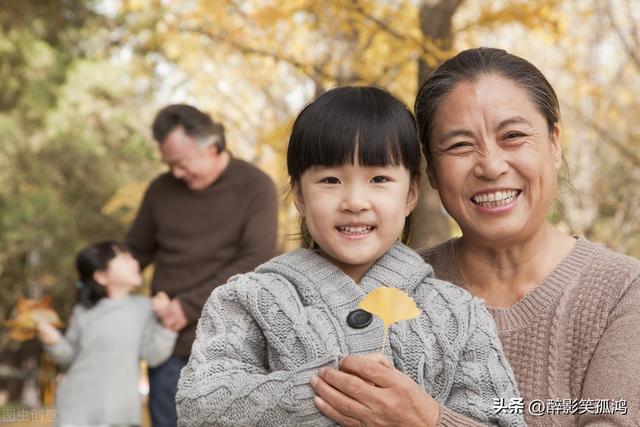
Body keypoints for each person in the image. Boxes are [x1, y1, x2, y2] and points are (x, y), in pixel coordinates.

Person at [311, 48, 640, 426]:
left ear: (554, 144)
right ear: (431, 172)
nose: (491, 165)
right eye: (460, 145)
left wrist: (429, 421)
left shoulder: (623, 291)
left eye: (513, 136)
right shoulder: (390, 290)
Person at [175, 86, 525, 427]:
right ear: (299, 194)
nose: (355, 201)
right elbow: (199, 406)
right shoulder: (248, 299)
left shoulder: (459, 313)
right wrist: (335, 393)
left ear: (410, 194)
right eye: (330, 180)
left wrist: (422, 418)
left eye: (378, 178)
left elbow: (501, 419)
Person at [125, 104, 279, 426]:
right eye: (169, 165)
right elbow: (133, 253)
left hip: (233, 349)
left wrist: (188, 306)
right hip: (169, 347)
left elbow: (256, 261)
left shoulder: (256, 187)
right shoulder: (160, 190)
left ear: (210, 146)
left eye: (180, 163)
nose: (176, 174)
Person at [37, 241, 177, 426]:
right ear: (102, 276)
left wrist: (167, 323)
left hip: (119, 414)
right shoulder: (83, 312)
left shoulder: (144, 309)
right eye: (123, 258)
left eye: (131, 256)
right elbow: (69, 358)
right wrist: (53, 341)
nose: (134, 261)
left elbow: (152, 356)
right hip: (76, 410)